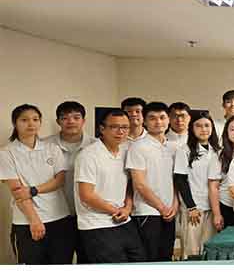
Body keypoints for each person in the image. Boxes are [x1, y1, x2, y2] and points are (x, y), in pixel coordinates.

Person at [0, 104, 74, 264]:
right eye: (24, 120)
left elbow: (60, 180)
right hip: (27, 222)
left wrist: (33, 190)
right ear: (15, 123)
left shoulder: (52, 148)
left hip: (59, 218)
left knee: (62, 268)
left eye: (35, 119)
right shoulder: (6, 153)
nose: (31, 124)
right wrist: (34, 221)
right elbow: (18, 191)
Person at [74, 109, 146, 263]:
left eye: (125, 127)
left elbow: (129, 185)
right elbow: (86, 195)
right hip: (96, 223)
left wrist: (127, 208)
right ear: (102, 129)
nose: (120, 132)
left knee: (139, 261)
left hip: (123, 220)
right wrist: (116, 211)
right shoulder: (88, 155)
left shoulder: (126, 151)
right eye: (114, 127)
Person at [44, 101, 97, 263]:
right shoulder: (44, 145)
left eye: (76, 117)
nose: (71, 121)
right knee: (59, 261)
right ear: (58, 121)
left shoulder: (96, 146)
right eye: (65, 118)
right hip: (56, 215)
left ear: (84, 120)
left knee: (88, 260)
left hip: (89, 215)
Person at [126, 101, 180, 261]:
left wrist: (174, 205)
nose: (158, 122)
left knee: (166, 257)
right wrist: (161, 207)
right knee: (149, 259)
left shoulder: (174, 147)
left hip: (170, 211)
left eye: (162, 117)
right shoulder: (138, 147)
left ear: (168, 120)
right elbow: (139, 184)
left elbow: (176, 180)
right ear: (144, 121)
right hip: (147, 212)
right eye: (152, 118)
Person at [174, 111, 224, 259]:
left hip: (214, 207)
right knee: (192, 250)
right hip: (195, 208)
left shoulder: (218, 151)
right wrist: (191, 207)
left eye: (207, 125)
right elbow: (180, 180)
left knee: (210, 248)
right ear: (192, 128)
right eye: (199, 126)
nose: (203, 129)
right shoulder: (184, 150)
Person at [208, 116, 234, 229]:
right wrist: (217, 214)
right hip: (226, 206)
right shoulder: (219, 155)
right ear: (227, 133)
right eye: (232, 129)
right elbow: (213, 187)